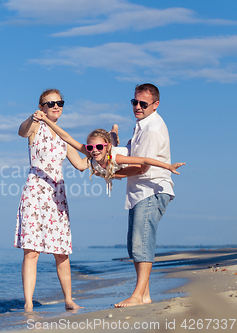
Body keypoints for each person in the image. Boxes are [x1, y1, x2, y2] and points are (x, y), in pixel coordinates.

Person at [14, 89, 87, 312]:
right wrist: (32, 117)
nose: (56, 106)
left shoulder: (63, 136)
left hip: (57, 197)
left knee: (61, 251)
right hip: (35, 193)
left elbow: (82, 165)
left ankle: (68, 299)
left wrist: (101, 152)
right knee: (31, 251)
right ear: (42, 106)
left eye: (60, 103)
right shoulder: (36, 126)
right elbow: (21, 132)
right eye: (50, 103)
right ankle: (28, 303)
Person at [111, 83, 176, 307]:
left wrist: (113, 174)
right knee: (134, 245)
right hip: (139, 191)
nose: (137, 107)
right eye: (134, 102)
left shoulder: (152, 129)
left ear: (156, 105)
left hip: (152, 189)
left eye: (143, 104)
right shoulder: (141, 125)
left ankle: (138, 296)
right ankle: (145, 295)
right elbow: (131, 153)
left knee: (142, 242)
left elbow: (141, 167)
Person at [33, 113, 184, 196]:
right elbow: (66, 137)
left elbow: (144, 159)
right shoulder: (91, 152)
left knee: (118, 151)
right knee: (112, 145)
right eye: (91, 147)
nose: (95, 150)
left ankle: (114, 131)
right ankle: (114, 132)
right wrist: (46, 120)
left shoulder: (116, 157)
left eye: (98, 146)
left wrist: (168, 166)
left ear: (105, 147)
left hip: (121, 156)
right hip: (110, 155)